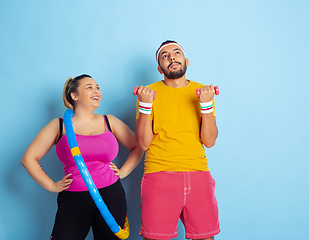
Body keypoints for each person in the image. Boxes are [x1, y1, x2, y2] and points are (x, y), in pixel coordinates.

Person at [21, 74, 143, 240]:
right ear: (74, 95)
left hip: (110, 195)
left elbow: (138, 146)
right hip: (73, 199)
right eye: (89, 87)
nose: (96, 91)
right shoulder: (59, 126)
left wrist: (123, 171)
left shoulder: (109, 121)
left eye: (98, 87)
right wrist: (51, 185)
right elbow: (28, 159)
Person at [135, 41, 220, 240]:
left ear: (185, 60)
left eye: (176, 53)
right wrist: (146, 106)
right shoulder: (147, 94)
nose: (172, 57)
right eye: (165, 56)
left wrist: (206, 105)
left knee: (206, 237)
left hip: (198, 173)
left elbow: (209, 141)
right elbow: (143, 143)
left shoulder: (203, 92)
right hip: (159, 175)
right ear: (159, 68)